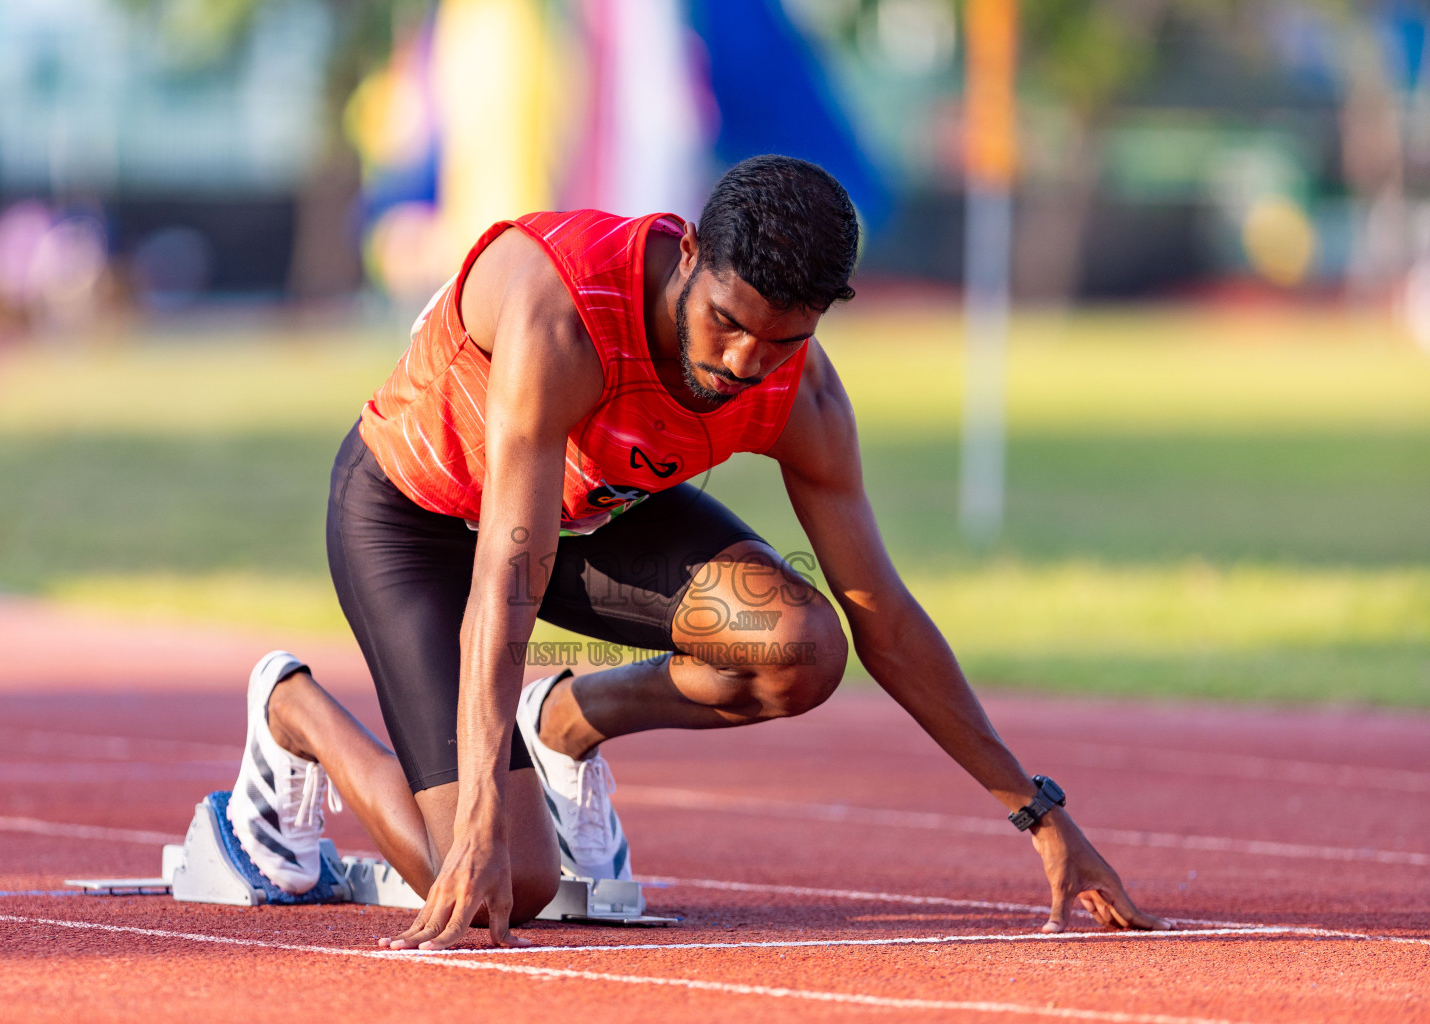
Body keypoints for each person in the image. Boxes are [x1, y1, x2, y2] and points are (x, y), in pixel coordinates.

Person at [224, 154, 1170, 951]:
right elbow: (508, 582)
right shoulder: (564, 314)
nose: (744, 363)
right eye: (728, 320)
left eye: (782, 339)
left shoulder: (800, 391)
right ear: (688, 258)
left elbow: (880, 613)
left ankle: (561, 723)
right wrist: (477, 819)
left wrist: (1041, 817)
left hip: (591, 506)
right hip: (417, 517)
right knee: (501, 885)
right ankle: (295, 711)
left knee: (804, 648)